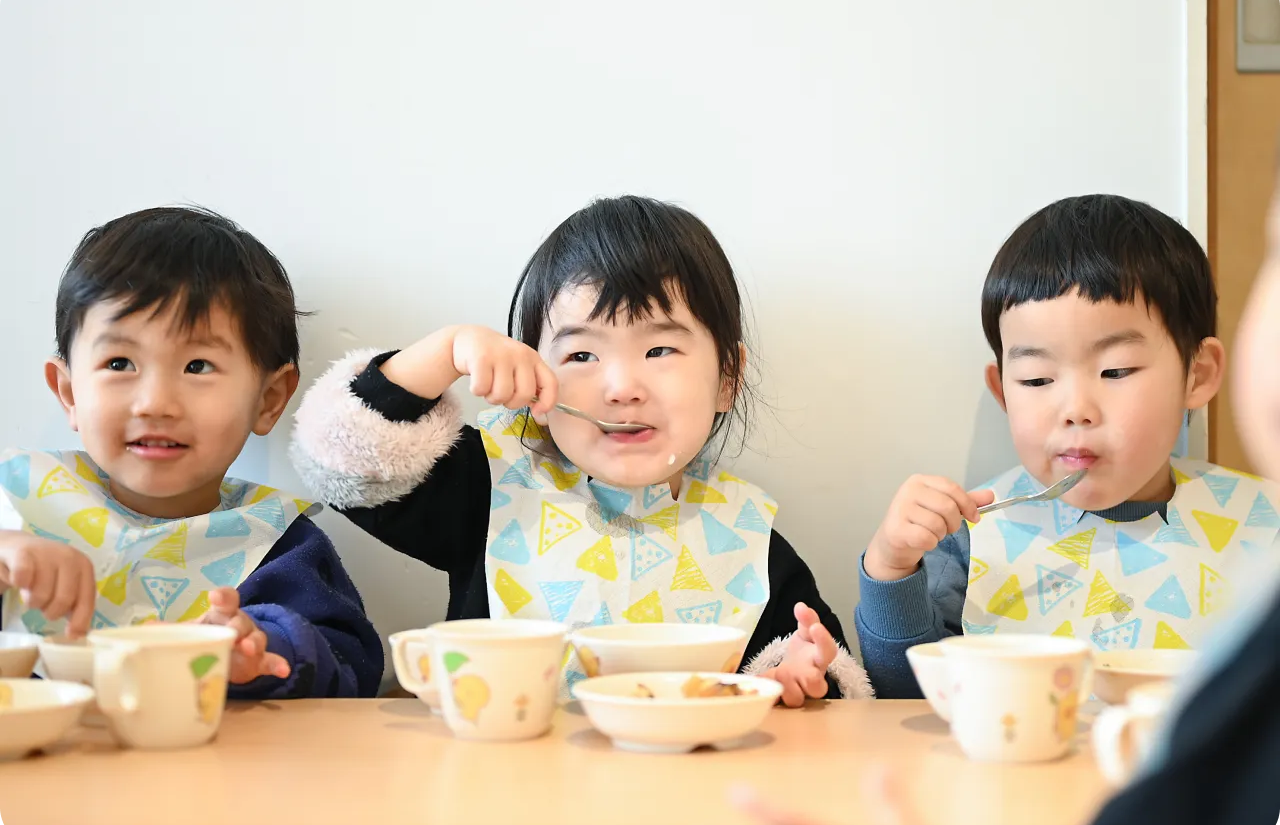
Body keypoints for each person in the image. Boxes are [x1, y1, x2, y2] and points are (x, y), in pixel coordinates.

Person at [291, 195, 870, 704]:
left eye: (661, 350)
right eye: (582, 356)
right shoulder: (489, 489)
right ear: (534, 374)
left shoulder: (745, 533)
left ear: (727, 378)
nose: (622, 388)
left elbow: (825, 674)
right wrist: (447, 351)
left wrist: (802, 678)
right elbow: (345, 462)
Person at [856, 194, 1280, 698]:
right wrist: (890, 566)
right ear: (1003, 392)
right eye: (1037, 379)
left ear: (1198, 373)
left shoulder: (1266, 527)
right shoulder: (973, 537)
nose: (1075, 408)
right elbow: (909, 698)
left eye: (1116, 370)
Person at [0, 207, 382, 698]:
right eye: (120, 362)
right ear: (70, 393)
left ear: (268, 400)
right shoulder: (16, 509)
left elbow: (353, 668)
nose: (156, 402)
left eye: (198, 365)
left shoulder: (277, 546)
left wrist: (265, 647)